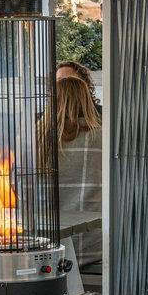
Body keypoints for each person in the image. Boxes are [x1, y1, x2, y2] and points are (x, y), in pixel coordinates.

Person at [45, 76, 103, 267]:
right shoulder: (103, 138)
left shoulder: (30, 140)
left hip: (41, 249)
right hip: (94, 248)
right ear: (87, 100)